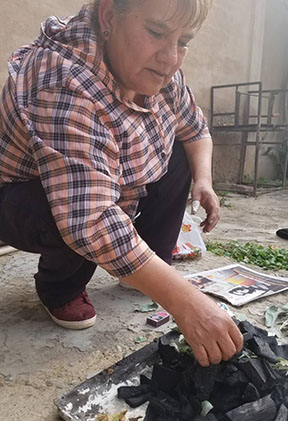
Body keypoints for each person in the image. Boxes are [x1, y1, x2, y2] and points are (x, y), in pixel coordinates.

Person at [0, 0, 243, 366]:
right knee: (74, 211)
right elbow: (91, 218)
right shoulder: (63, 80)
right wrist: (187, 303)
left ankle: (144, 268)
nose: (170, 58)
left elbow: (195, 130)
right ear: (110, 16)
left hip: (101, 184)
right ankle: (59, 288)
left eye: (184, 40)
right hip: (23, 195)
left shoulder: (162, 72)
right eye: (157, 32)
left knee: (175, 153)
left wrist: (204, 181)